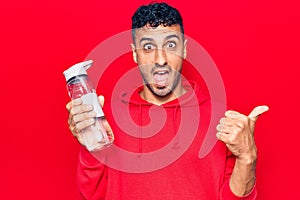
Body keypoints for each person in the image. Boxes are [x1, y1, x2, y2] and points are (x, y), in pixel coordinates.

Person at [66, 2, 268, 200]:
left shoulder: (220, 121)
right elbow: (92, 195)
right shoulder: (108, 120)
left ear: (184, 49)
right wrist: (91, 144)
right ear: (135, 53)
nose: (160, 59)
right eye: (148, 47)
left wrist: (247, 158)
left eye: (171, 45)